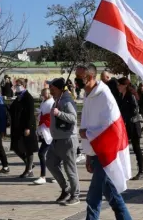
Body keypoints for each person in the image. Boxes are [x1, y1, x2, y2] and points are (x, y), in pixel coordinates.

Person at [77, 64, 131, 220]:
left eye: (80, 77)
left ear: (91, 77)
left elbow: (111, 127)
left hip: (107, 152)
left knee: (93, 197)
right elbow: (88, 121)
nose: (77, 81)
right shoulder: (87, 95)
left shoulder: (104, 96)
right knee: (113, 197)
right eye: (76, 77)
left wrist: (87, 134)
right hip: (96, 152)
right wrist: (88, 154)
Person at [46, 78, 80, 206]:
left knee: (70, 169)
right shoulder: (58, 100)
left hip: (67, 139)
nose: (50, 90)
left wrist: (59, 113)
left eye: (52, 88)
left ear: (60, 88)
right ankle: (66, 189)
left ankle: (75, 195)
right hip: (57, 139)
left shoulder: (67, 101)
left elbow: (73, 117)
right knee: (50, 162)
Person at [117, 78, 143, 180]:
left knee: (137, 148)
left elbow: (135, 109)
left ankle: (141, 171)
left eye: (119, 85)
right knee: (122, 147)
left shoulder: (130, 95)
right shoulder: (122, 96)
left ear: (124, 85)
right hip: (126, 125)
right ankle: (122, 171)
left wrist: (125, 116)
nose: (118, 87)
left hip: (133, 125)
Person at [9, 78, 38, 177]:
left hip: (26, 127)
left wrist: (28, 127)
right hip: (18, 127)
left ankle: (28, 169)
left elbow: (30, 113)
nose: (16, 87)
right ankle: (30, 165)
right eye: (16, 85)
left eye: (18, 85)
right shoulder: (18, 97)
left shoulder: (28, 97)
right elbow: (12, 109)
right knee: (16, 147)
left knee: (28, 148)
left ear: (24, 86)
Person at [33, 88, 54, 185]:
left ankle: (43, 176)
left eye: (45, 94)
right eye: (42, 94)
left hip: (49, 131)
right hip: (45, 130)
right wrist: (39, 115)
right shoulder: (44, 102)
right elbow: (42, 114)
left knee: (42, 153)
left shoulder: (52, 103)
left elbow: (50, 117)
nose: (44, 96)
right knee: (51, 154)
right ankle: (52, 175)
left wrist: (42, 117)